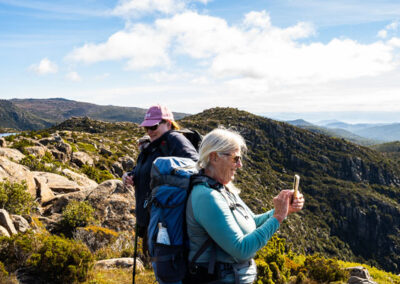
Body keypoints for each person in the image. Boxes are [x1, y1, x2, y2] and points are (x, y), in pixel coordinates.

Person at [186, 128, 305, 283]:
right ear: (214, 157)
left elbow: (252, 222)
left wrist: (284, 209)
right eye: (235, 159)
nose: (240, 165)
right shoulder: (207, 197)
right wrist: (277, 217)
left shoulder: (222, 188)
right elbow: (242, 250)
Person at [123, 105, 198, 284]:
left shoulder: (174, 140)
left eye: (154, 126)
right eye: (146, 127)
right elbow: (144, 170)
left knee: (168, 273)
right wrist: (131, 175)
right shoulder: (152, 147)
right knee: (161, 272)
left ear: (169, 124)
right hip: (153, 221)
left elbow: (195, 166)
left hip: (167, 223)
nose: (149, 131)